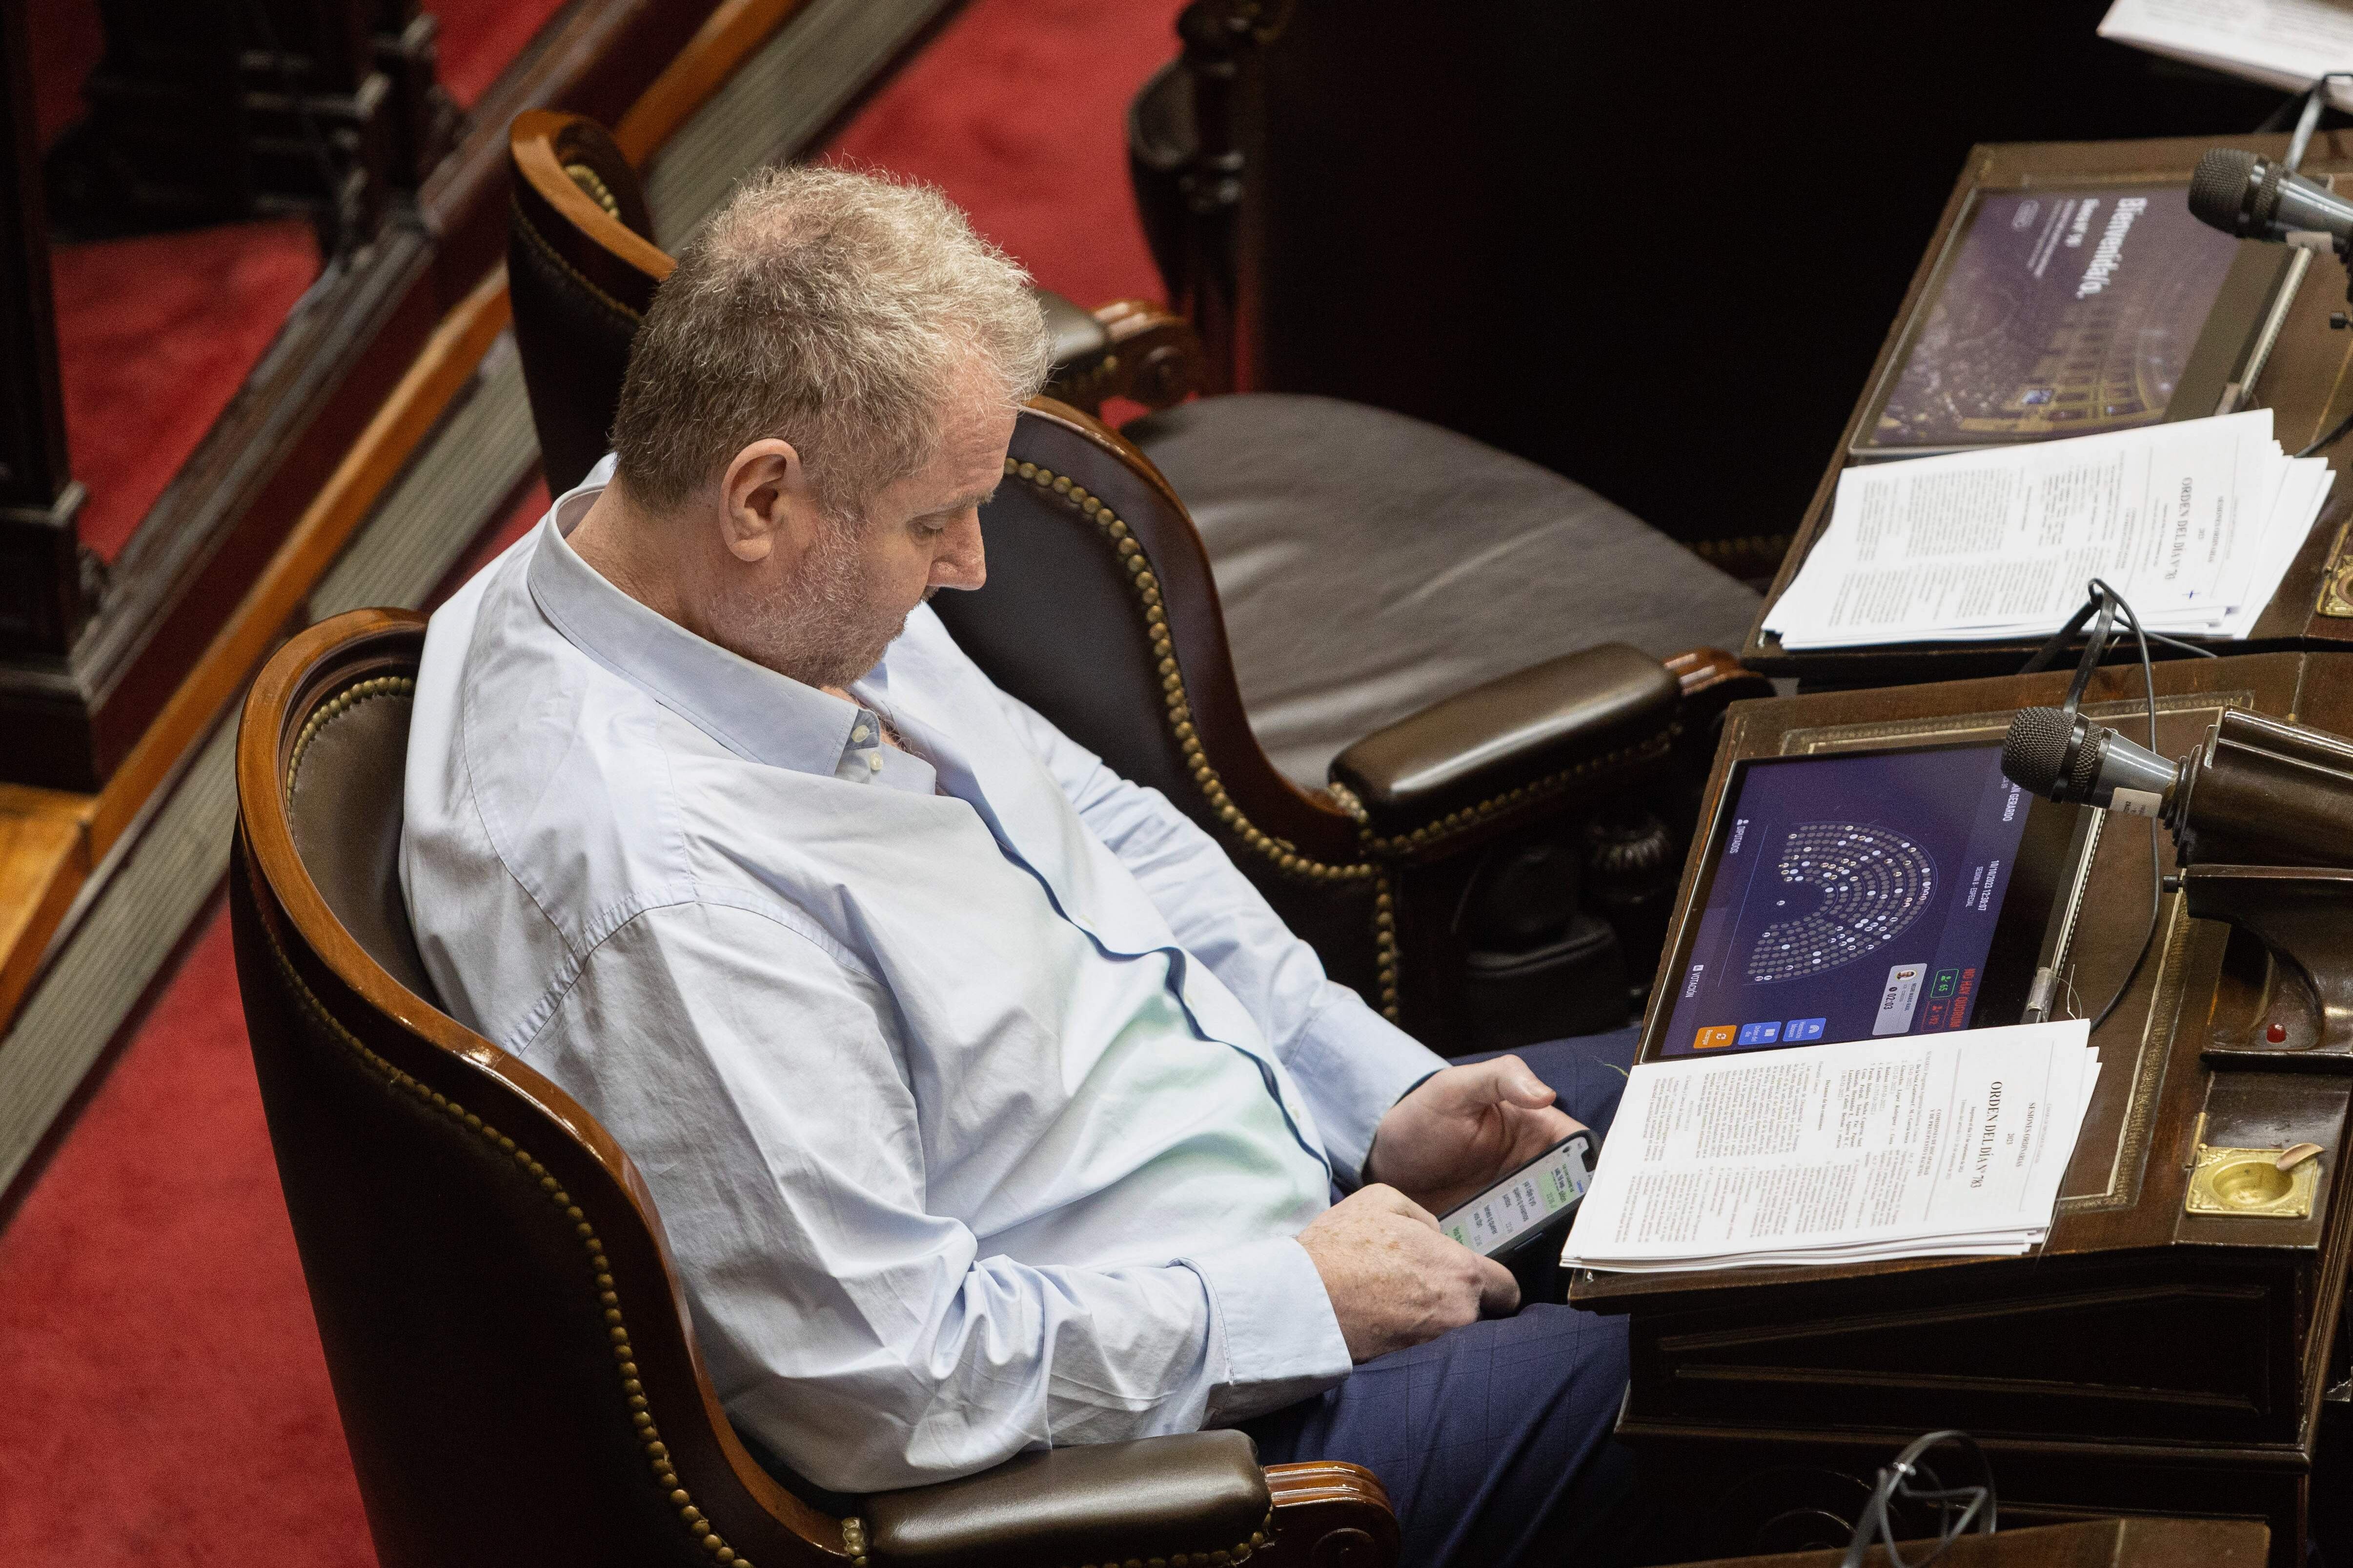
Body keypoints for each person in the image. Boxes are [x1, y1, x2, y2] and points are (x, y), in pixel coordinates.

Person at [401, 165, 1636, 1568]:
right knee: (1739, 1369)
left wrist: (1372, 1092)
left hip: (1294, 1182)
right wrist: (1302, 1296)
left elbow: (1092, 818)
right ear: (762, 500)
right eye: (937, 521)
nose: (972, 565)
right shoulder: (665, 901)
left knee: (1732, 1103)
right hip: (1191, 1450)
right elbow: (889, 1383)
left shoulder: (695, 550)